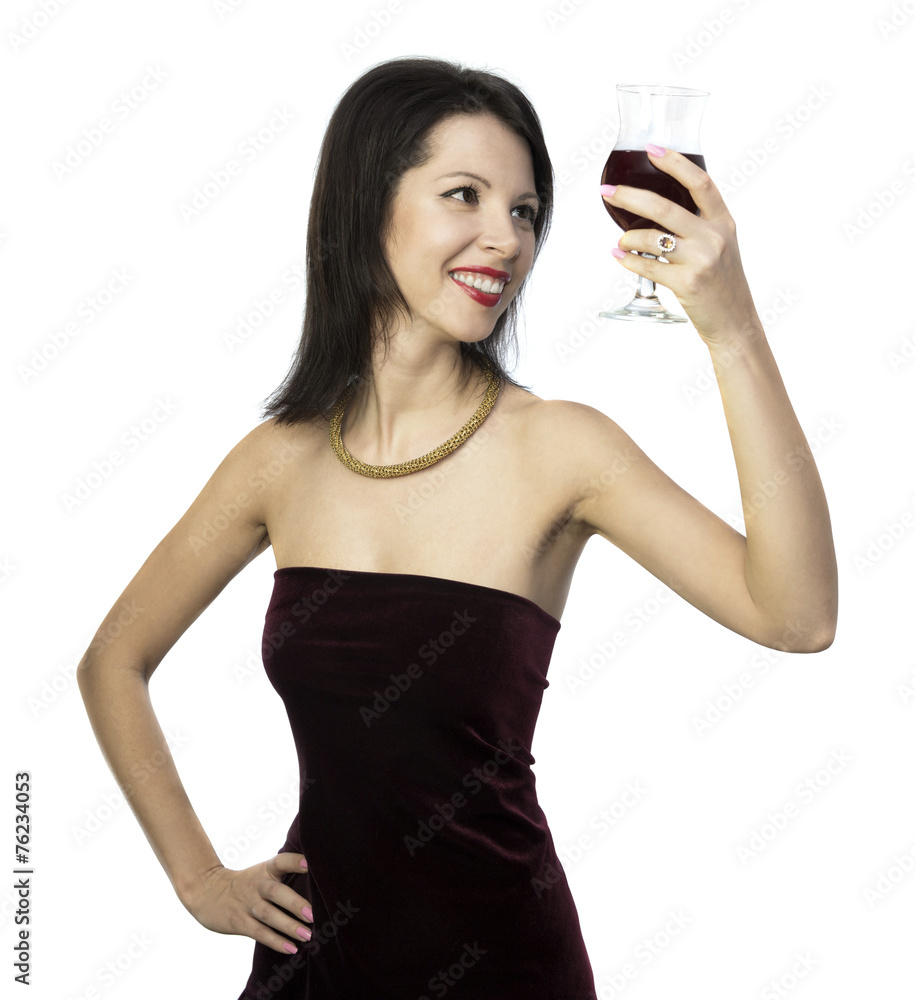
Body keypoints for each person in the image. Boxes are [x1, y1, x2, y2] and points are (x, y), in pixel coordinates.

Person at [77, 56, 838, 999]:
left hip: (505, 967)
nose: (505, 239)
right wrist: (198, 879)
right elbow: (113, 659)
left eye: (524, 211)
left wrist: (732, 330)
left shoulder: (561, 447)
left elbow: (795, 617)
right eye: (463, 196)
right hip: (314, 963)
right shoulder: (279, 459)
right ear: (367, 206)